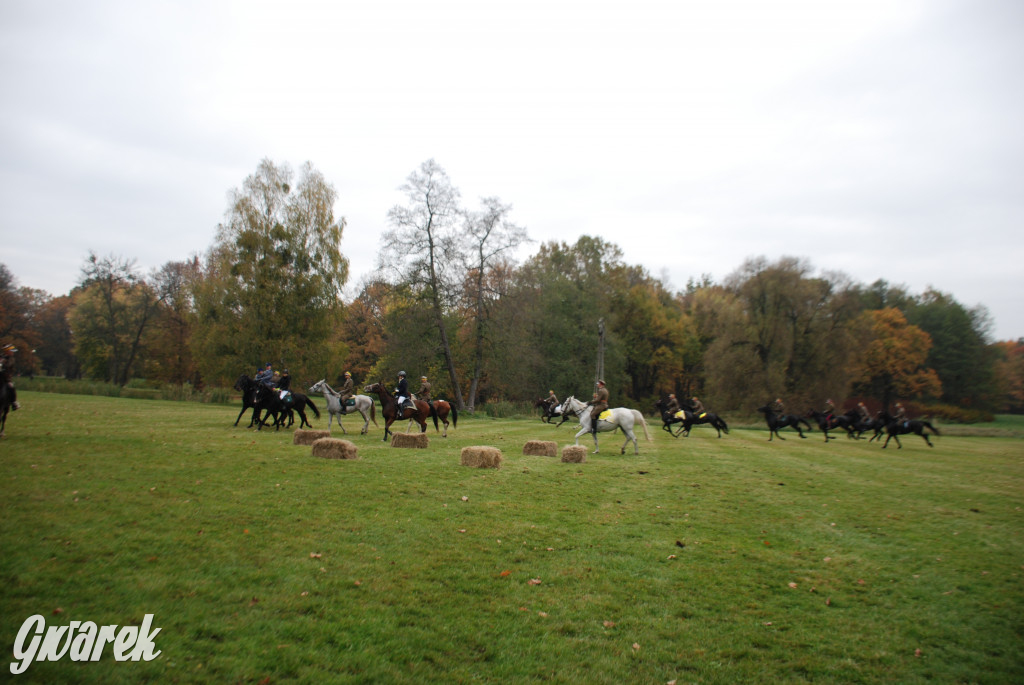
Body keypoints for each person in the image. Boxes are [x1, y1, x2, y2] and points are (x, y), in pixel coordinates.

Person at [1, 344, 20, 410]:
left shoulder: (11, 359)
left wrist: (3, 362)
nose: (13, 353)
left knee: (11, 387)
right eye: (11, 351)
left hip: (6, 378)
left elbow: (8, 365)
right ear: (7, 351)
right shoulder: (1, 357)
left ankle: (14, 402)